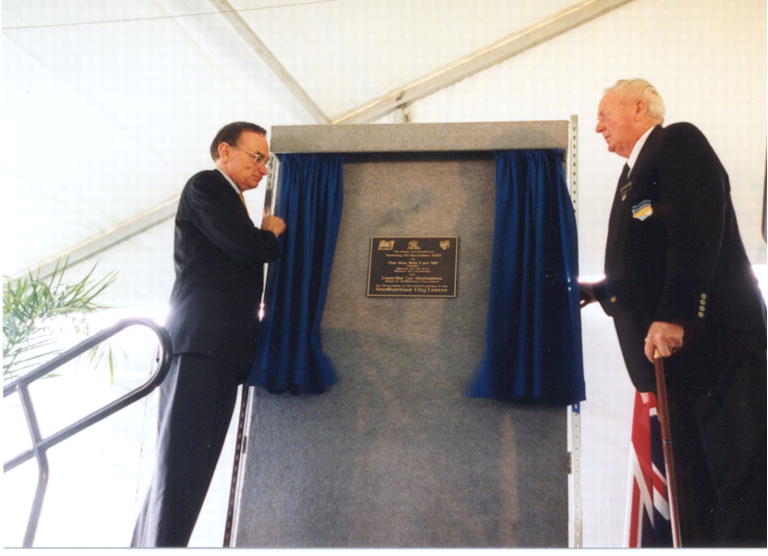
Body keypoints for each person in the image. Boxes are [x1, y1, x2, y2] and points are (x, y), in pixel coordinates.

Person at [581, 78, 766, 547]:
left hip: (718, 351)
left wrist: (678, 316)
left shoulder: (677, 142)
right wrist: (601, 293)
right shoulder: (632, 174)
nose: (597, 125)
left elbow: (698, 234)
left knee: (736, 479)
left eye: (605, 113)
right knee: (692, 487)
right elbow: (648, 264)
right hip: (679, 364)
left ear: (639, 107)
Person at [131, 122, 286, 547]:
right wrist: (269, 233)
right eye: (257, 157)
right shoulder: (207, 186)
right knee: (180, 467)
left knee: (191, 468)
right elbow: (246, 248)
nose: (263, 170)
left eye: (266, 162)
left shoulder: (230, 198)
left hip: (218, 351)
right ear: (224, 151)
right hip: (199, 345)